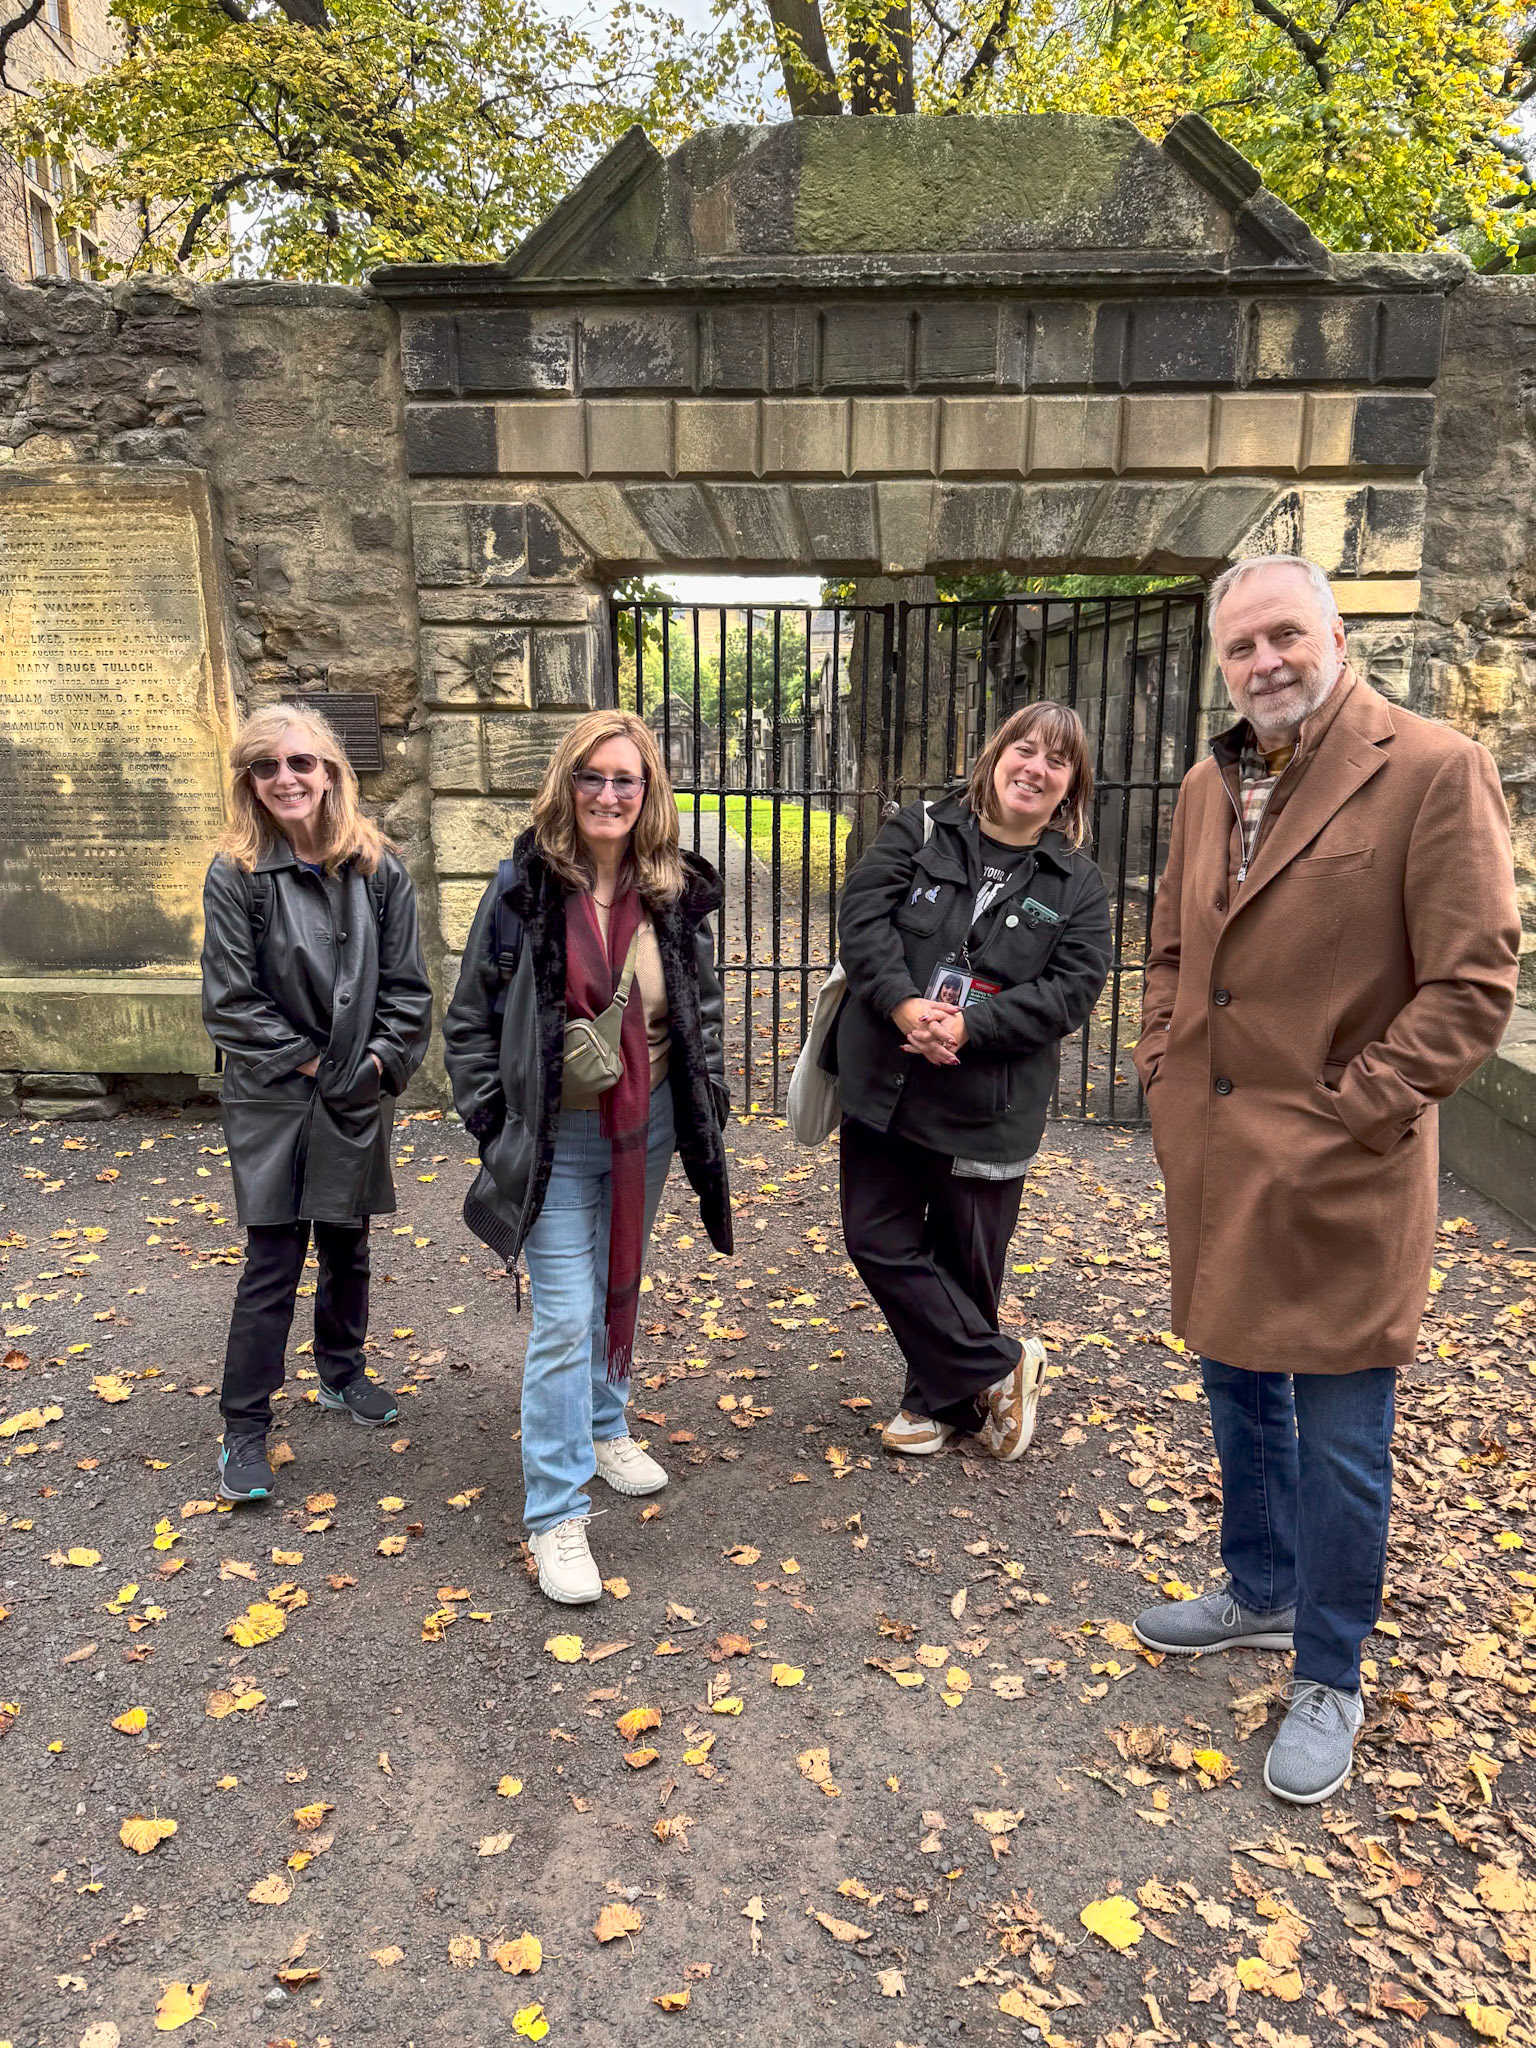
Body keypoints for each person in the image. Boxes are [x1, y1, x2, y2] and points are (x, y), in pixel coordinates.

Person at [1130, 553, 1519, 1805]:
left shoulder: (1432, 766)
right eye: (1241, 648)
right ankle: (1258, 1584)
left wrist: (1363, 1105)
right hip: (1221, 1157)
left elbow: (1474, 981)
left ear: (1336, 634)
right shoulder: (1207, 778)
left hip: (1348, 1167)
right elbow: (1178, 946)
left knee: (1346, 1437)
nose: (1265, 664)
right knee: (1238, 1388)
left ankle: (1330, 1664)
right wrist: (1161, 1072)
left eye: (1285, 636)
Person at [442, 710, 731, 1606]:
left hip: (643, 1132)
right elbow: (472, 1017)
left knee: (621, 1282)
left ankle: (606, 1425)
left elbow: (703, 1009)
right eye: (593, 777)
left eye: (627, 779)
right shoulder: (525, 888)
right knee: (565, 1318)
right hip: (557, 1136)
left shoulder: (672, 893)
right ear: (568, 785)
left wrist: (707, 1097)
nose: (610, 794)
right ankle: (555, 1513)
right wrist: (496, 1122)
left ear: (649, 794)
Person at [832, 702, 1113, 1460]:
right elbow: (862, 920)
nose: (1036, 768)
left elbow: (1072, 989)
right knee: (875, 1238)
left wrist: (968, 1025)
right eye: (1024, 750)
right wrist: (902, 1004)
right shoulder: (919, 831)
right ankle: (1001, 1365)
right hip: (887, 1079)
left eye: (1057, 762)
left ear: (1070, 789)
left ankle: (939, 1405)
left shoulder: (1077, 883)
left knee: (966, 1258)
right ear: (993, 758)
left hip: (988, 1102)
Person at [201, 703, 433, 1503]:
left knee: (347, 1238)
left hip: (354, 1086)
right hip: (272, 1092)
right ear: (250, 782)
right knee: (272, 1259)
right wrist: (310, 1062)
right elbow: (230, 1000)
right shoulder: (235, 873)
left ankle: (341, 1372)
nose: (285, 779)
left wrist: (373, 1064)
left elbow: (407, 990)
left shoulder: (380, 871)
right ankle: (243, 1429)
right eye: (266, 767)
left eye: (300, 762)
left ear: (331, 770)